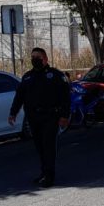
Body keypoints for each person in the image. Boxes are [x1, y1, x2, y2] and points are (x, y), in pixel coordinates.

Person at [8, 48, 70, 187]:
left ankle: (49, 176)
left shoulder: (55, 75)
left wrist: (64, 116)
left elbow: (65, 97)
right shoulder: (27, 77)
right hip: (34, 117)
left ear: (45, 59)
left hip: (50, 116)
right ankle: (43, 173)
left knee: (48, 146)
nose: (35, 59)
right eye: (33, 57)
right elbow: (19, 97)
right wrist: (13, 113)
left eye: (38, 57)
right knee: (40, 147)